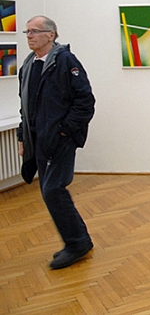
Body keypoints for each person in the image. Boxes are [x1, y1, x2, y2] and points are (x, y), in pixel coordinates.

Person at [17, 15, 96, 270]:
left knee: (53, 190)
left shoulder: (65, 61)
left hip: (59, 139)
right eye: (27, 32)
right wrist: (22, 136)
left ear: (51, 35)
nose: (29, 36)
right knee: (49, 191)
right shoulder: (28, 65)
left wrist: (65, 132)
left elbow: (85, 101)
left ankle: (77, 243)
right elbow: (25, 107)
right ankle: (79, 240)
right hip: (38, 140)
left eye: (35, 31)